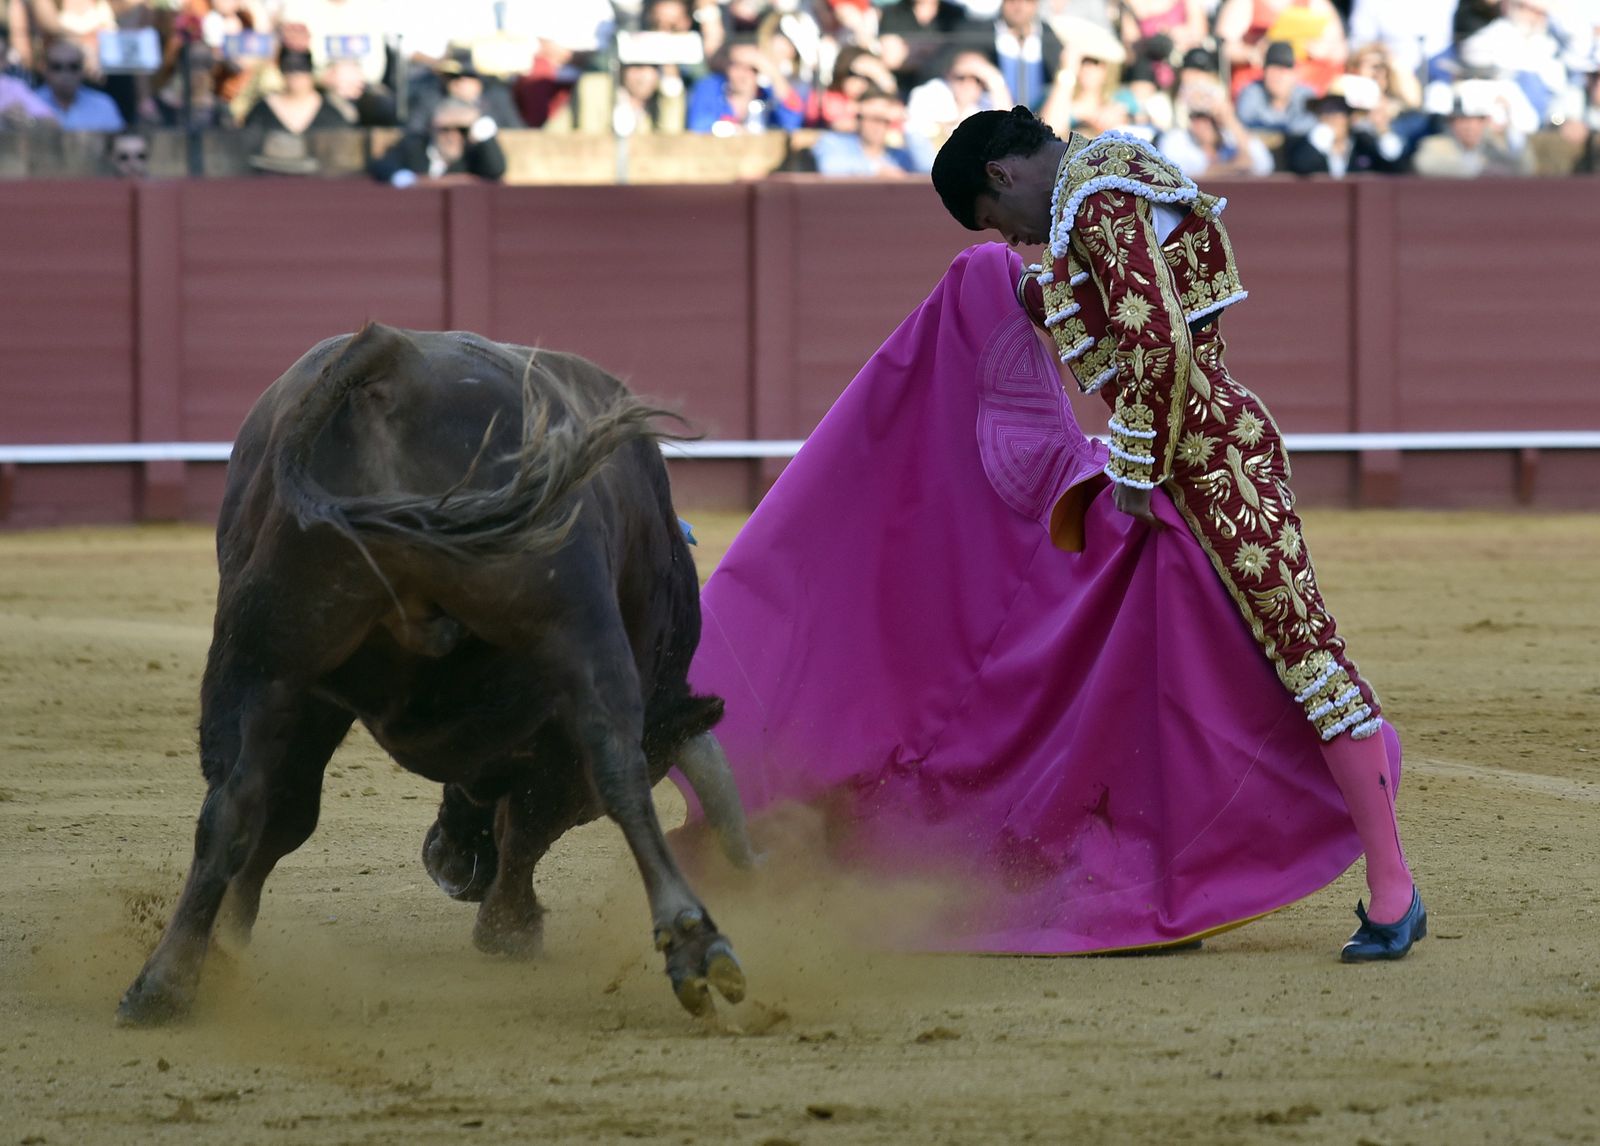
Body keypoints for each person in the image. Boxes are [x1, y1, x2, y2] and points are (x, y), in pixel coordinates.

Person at [927, 107, 1424, 959]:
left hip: (1210, 462)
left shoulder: (1094, 196)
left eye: (995, 222)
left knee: (1303, 655)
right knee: (1163, 673)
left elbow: (1157, 343)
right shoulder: (1101, 184)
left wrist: (1136, 473)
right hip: (1180, 457)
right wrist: (1009, 291)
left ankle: (1394, 890)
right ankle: (1168, 884)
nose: (1013, 239)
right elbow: (1107, 314)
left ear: (1002, 177)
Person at [1283, 72, 1409, 175]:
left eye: (1338, 109)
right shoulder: (1304, 142)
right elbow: (1299, 166)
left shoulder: (1363, 144)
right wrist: (1317, 142)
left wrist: (1383, 130)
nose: (1330, 116)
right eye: (1325, 109)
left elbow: (1396, 167)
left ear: (1351, 116)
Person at [369, 96, 506, 187]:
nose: (453, 136)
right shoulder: (415, 146)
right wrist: (416, 181)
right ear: (433, 128)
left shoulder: (474, 154)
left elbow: (495, 170)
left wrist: (484, 134)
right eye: (445, 129)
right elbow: (383, 166)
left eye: (462, 130)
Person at [811, 85, 920, 174]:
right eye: (871, 118)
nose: (877, 126)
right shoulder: (833, 143)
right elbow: (829, 167)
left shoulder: (898, 156)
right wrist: (875, 170)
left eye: (883, 120)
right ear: (859, 119)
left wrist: (906, 120)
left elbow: (927, 169)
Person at [32, 35, 123, 129]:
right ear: (45, 70)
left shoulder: (104, 105)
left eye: (73, 67)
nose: (66, 74)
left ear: (83, 70)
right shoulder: (28, 104)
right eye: (57, 67)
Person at [1234, 39, 1317, 137]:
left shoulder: (1306, 94)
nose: (1277, 77)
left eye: (1282, 71)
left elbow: (1311, 125)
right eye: (1273, 70)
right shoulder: (1251, 91)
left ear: (1293, 74)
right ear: (1264, 73)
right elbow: (1244, 126)